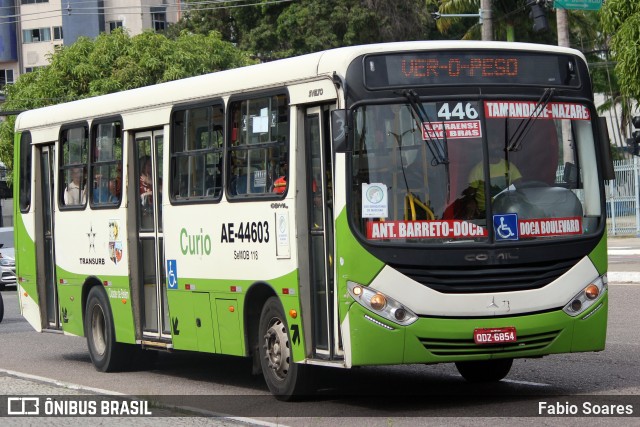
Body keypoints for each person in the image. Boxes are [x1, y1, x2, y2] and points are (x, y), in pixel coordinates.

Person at [467, 142, 522, 216]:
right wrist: (472, 203)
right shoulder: (478, 169)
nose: (496, 145)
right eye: (493, 143)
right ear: (486, 147)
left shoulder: (508, 165)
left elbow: (519, 184)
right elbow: (470, 194)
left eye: (498, 143)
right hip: (485, 211)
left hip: (507, 207)